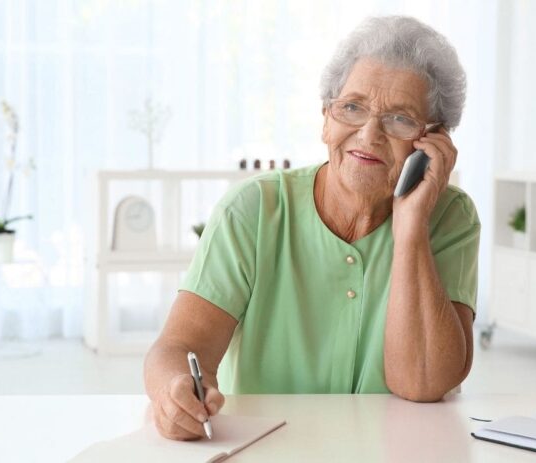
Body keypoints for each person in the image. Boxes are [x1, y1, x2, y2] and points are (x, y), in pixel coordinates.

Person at [144, 15, 480, 441]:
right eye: (352, 107)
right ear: (326, 119)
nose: (369, 134)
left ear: (435, 143)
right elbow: (176, 348)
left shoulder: (450, 216)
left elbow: (425, 382)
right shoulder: (255, 209)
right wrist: (173, 393)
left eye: (399, 119)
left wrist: (411, 227)